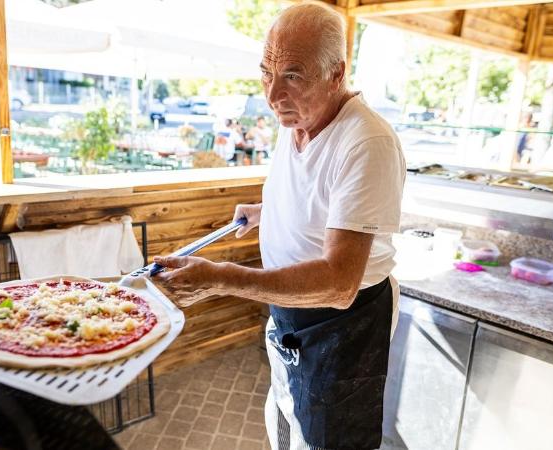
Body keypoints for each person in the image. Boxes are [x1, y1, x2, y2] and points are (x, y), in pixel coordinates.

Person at [152, 3, 405, 449]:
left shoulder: (367, 142)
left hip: (342, 324)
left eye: (292, 75)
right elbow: (318, 199)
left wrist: (222, 278)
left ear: (336, 73)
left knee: (330, 440)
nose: (272, 96)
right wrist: (267, 210)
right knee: (288, 420)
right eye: (266, 72)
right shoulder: (299, 119)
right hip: (289, 312)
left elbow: (340, 284)